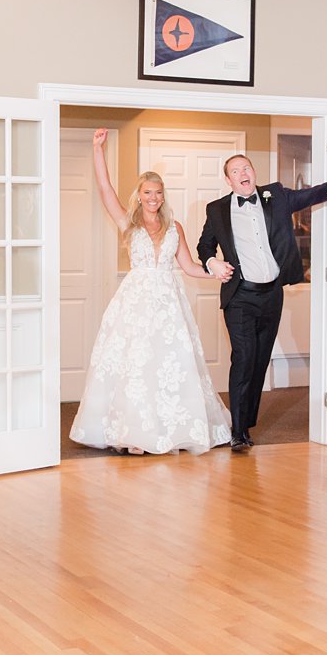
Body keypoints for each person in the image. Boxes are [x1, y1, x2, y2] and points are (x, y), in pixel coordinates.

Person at [68, 129, 231, 455]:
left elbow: (187, 266)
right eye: (147, 192)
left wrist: (216, 272)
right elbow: (104, 189)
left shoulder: (175, 227)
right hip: (136, 300)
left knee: (169, 364)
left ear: (162, 195)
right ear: (139, 195)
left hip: (169, 301)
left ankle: (170, 428)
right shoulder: (128, 222)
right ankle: (134, 432)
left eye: (158, 192)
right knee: (136, 363)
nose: (153, 197)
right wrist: (98, 149)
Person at [196, 153, 327, 451]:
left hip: (272, 295)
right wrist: (212, 263)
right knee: (244, 357)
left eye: (246, 167)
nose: (242, 173)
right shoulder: (217, 210)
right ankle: (238, 431)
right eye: (235, 171)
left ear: (253, 171)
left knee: (260, 360)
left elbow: (304, 196)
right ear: (229, 180)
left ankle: (245, 423)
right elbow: (204, 245)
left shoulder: (274, 196)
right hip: (240, 297)